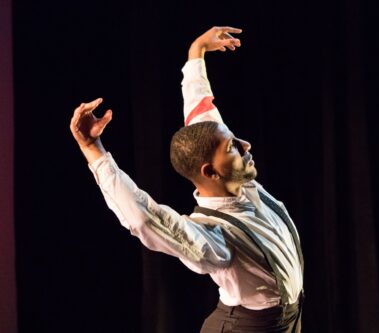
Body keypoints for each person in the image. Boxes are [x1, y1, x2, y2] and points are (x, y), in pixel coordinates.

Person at [69, 26, 304, 333]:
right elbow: (144, 217)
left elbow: (201, 111)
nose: (246, 146)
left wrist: (197, 53)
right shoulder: (213, 235)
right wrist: (93, 149)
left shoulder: (238, 182)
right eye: (233, 148)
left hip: (287, 320)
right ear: (210, 172)